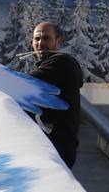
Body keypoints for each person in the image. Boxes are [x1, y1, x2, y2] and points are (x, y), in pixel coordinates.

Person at [27, 21, 84, 169]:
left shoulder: (61, 63)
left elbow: (25, 84)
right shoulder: (52, 65)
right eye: (37, 39)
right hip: (52, 146)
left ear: (58, 41)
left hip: (57, 148)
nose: (40, 43)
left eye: (46, 38)